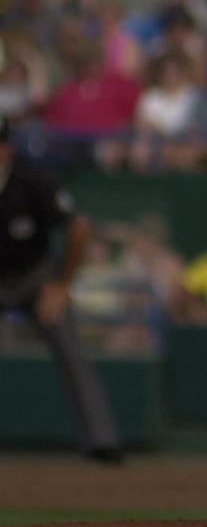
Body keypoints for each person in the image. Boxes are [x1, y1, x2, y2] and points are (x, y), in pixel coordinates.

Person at [0, 115, 121, 460]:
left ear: (7, 148)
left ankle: (102, 443)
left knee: (72, 352)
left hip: (36, 277)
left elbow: (79, 226)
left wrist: (61, 284)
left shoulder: (30, 179)